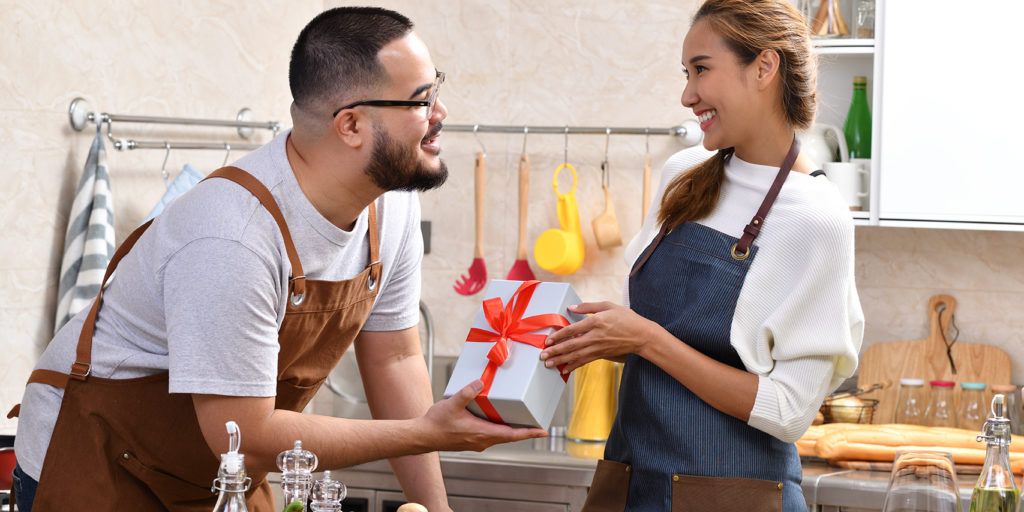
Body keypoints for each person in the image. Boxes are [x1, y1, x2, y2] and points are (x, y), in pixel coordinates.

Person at [10, 7, 545, 511]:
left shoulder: (391, 208)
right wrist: (428, 432)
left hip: (228, 467)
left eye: (437, 90)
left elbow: (394, 359)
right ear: (351, 125)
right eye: (421, 100)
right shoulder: (233, 236)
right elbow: (242, 435)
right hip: (102, 463)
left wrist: (434, 508)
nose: (440, 114)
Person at [540, 1, 864, 510]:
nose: (687, 94)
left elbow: (788, 411)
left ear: (764, 66)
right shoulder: (684, 172)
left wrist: (645, 340)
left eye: (702, 70)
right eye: (685, 73)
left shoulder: (815, 217)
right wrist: (604, 337)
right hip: (632, 481)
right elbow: (662, 329)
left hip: (734, 496)